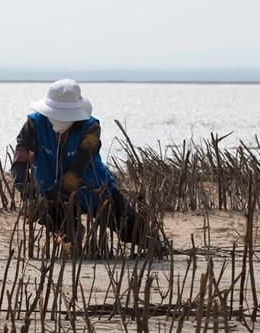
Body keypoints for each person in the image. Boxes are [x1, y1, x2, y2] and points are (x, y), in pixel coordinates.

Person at [10, 79, 168, 256]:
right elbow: (20, 162)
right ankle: (71, 239)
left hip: (94, 188)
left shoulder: (90, 128)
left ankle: (158, 245)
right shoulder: (33, 125)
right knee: (56, 220)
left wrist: (47, 198)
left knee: (128, 226)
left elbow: (78, 170)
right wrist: (28, 195)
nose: (59, 119)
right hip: (48, 186)